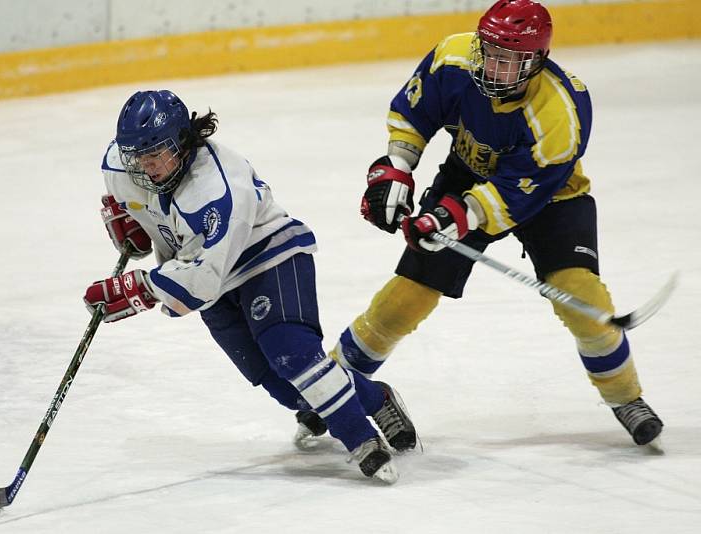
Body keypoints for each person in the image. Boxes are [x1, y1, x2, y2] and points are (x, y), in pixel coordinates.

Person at [324, 0, 663, 447]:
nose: (492, 67)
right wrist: (395, 169)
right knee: (405, 298)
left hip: (552, 197)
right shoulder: (454, 58)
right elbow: (412, 115)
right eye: (489, 53)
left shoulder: (560, 111)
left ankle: (625, 397)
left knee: (583, 299)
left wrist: (454, 217)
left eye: (508, 61)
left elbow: (518, 191)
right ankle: (332, 391)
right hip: (466, 174)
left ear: (536, 61)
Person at [82, 89, 417, 484]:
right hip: (206, 276)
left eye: (157, 153)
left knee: (292, 355)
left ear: (184, 141)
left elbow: (202, 280)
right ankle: (375, 397)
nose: (147, 166)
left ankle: (362, 441)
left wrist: (137, 288)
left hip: (267, 256)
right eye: (139, 156)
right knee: (287, 389)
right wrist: (134, 221)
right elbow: (129, 200)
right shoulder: (125, 164)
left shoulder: (216, 189)